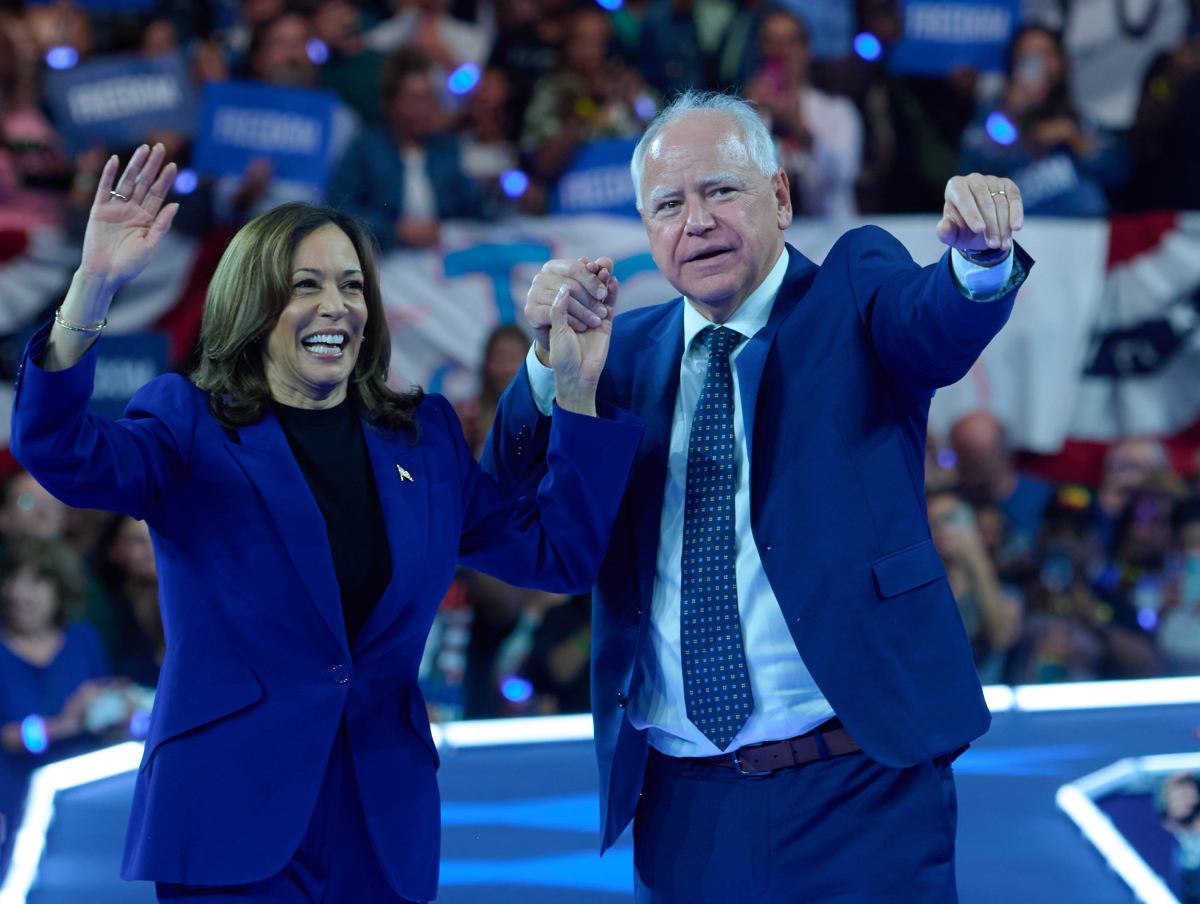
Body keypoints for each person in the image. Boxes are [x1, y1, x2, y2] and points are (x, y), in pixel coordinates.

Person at [9, 143, 642, 902]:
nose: (334, 306)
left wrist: (574, 389)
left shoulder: (423, 437)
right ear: (254, 307)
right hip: (230, 818)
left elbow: (557, 555)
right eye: (304, 285)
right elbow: (58, 453)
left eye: (350, 285)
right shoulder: (187, 426)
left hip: (382, 821)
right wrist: (93, 289)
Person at [483, 90, 1032, 901]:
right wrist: (545, 365)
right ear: (645, 229)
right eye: (668, 204)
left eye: (720, 191)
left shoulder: (851, 292)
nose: (695, 221)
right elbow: (504, 508)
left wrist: (978, 260)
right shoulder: (617, 359)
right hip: (683, 807)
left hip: (861, 791)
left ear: (779, 196)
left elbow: (933, 319)